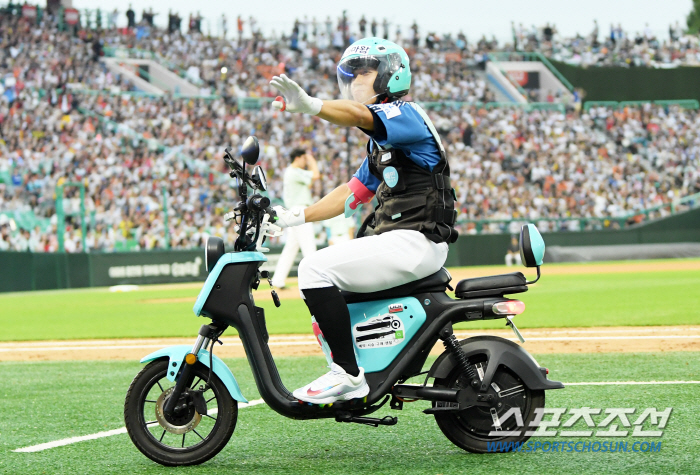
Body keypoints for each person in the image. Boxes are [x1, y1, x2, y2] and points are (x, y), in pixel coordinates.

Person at [269, 37, 458, 404]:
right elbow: (351, 192)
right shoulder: (381, 144)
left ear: (391, 76)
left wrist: (312, 106)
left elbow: (359, 116)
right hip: (405, 240)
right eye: (351, 75)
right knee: (330, 286)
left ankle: (348, 375)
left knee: (313, 269)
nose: (356, 82)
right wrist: (295, 216)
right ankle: (366, 368)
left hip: (415, 240)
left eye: (365, 72)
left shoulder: (407, 114)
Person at [270, 149, 320, 289]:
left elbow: (309, 183)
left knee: (290, 249)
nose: (305, 162)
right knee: (309, 248)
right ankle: (315, 281)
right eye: (303, 158)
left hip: (294, 211)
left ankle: (278, 280)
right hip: (299, 212)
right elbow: (316, 175)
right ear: (298, 158)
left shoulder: (292, 172)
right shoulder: (293, 171)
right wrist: (312, 160)